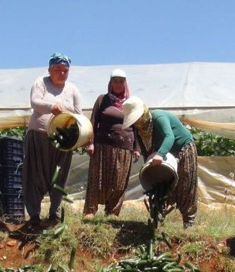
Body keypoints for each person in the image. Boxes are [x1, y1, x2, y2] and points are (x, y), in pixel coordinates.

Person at [23, 53, 83, 228]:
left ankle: (54, 214)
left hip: (63, 138)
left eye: (65, 70)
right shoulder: (41, 83)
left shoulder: (72, 89)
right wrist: (51, 107)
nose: (62, 73)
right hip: (39, 135)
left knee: (59, 174)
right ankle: (34, 215)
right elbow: (35, 102)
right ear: (49, 69)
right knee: (35, 174)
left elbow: (78, 113)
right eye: (57, 69)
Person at [122, 96, 198, 228]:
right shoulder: (139, 130)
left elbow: (169, 136)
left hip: (183, 148)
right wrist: (149, 167)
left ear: (143, 114)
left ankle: (189, 222)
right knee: (165, 186)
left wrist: (160, 154)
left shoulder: (158, 117)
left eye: (136, 119)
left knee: (186, 185)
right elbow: (146, 150)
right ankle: (159, 219)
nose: (136, 123)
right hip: (167, 154)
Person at [83, 69, 140, 219]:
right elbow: (93, 122)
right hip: (103, 145)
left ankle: (112, 212)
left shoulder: (131, 103)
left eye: (121, 81)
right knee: (97, 179)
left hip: (125, 148)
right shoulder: (102, 100)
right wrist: (90, 143)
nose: (118, 84)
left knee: (119, 183)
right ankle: (90, 210)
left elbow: (137, 127)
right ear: (110, 83)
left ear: (125, 83)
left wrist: (137, 148)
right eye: (115, 81)